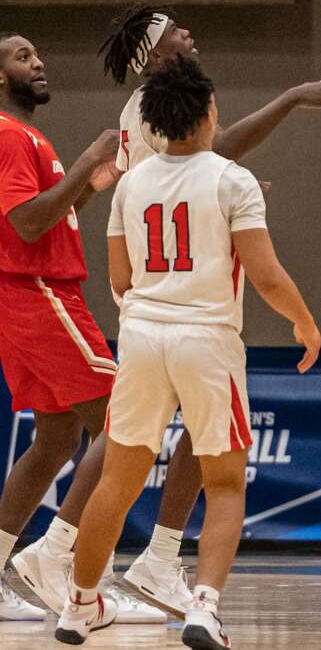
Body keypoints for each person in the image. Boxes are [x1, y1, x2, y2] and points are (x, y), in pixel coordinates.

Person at [12, 6, 321, 620]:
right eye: (174, 31)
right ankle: (63, 550)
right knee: (138, 441)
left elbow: (195, 171)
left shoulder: (146, 117)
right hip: (186, 303)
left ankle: (126, 568)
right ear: (152, 54)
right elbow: (219, 151)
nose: (188, 34)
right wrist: (290, 100)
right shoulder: (151, 109)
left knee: (146, 439)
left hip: (147, 303)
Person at [0, 33, 120, 622]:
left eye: (38, 54)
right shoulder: (9, 135)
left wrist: (89, 185)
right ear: (0, 77)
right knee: (124, 420)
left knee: (54, 440)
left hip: (24, 294)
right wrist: (85, 162)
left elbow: (50, 216)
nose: (39, 62)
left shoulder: (25, 137)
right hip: (39, 291)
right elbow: (26, 224)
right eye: (23, 57)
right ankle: (63, 557)